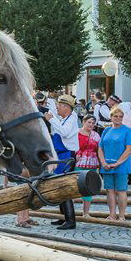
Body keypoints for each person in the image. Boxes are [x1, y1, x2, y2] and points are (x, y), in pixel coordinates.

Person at [47, 94, 81, 230]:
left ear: (67, 107)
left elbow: (65, 133)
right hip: (62, 156)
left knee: (65, 188)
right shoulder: (65, 118)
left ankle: (70, 220)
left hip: (67, 156)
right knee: (60, 186)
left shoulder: (72, 119)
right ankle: (64, 217)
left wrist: (51, 120)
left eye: (59, 106)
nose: (57, 108)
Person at [98, 106, 131, 222]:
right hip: (107, 165)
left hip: (122, 165)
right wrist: (103, 162)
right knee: (109, 190)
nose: (118, 118)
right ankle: (112, 214)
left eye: (120, 116)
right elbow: (100, 148)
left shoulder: (127, 131)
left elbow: (129, 149)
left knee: (121, 190)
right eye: (116, 116)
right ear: (111, 117)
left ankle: (122, 215)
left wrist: (117, 163)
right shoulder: (106, 130)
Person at [75, 116, 102, 218]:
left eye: (93, 123)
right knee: (75, 187)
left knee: (88, 188)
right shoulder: (76, 133)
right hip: (79, 163)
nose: (91, 124)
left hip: (92, 164)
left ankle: (86, 213)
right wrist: (76, 153)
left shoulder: (96, 135)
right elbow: (72, 145)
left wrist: (100, 163)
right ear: (83, 122)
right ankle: (69, 212)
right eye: (89, 122)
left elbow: (99, 150)